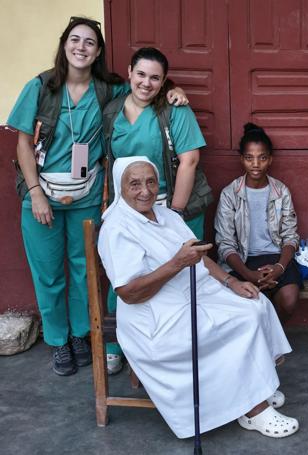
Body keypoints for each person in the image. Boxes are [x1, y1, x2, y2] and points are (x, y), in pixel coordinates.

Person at [6, 17, 184, 376]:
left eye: (90, 42)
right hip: (44, 196)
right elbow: (23, 143)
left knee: (84, 269)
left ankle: (80, 335)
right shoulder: (41, 87)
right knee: (48, 273)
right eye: (75, 40)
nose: (81, 47)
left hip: (86, 195)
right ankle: (58, 340)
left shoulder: (107, 88)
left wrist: (174, 91)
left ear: (98, 50)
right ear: (64, 44)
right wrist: (36, 194)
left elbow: (144, 88)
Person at [98, 156, 299, 439]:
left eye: (151, 182)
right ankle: (254, 410)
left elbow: (198, 256)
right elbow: (129, 294)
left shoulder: (164, 213)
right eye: (134, 184)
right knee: (237, 322)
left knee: (255, 303)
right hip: (155, 316)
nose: (145, 190)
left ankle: (255, 387)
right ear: (121, 188)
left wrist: (231, 282)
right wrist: (177, 263)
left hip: (193, 292)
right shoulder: (117, 229)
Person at [102, 47, 209, 374]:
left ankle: (182, 350)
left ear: (164, 83)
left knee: (184, 279)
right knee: (127, 278)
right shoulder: (112, 111)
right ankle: (114, 345)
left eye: (155, 78)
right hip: (131, 210)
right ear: (130, 71)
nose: (146, 83)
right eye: (141, 74)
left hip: (175, 207)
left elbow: (190, 160)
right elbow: (107, 161)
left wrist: (173, 214)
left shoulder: (174, 110)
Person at [215, 123, 300, 323]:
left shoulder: (281, 191)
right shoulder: (230, 194)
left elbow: (290, 236)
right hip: (243, 259)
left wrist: (279, 267)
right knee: (248, 301)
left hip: (276, 257)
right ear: (241, 159)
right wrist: (249, 274)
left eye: (262, 158)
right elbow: (225, 243)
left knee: (289, 300)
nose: (255, 164)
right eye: (249, 158)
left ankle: (272, 338)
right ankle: (257, 339)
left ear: (270, 159)